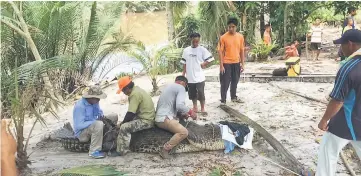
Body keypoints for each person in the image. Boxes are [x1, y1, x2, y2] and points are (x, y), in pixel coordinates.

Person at [316, 29, 361, 176]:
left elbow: (337, 100)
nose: (340, 48)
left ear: (350, 44)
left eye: (341, 44)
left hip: (349, 121)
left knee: (328, 151)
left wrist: (324, 120)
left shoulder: (348, 67)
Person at [155, 76, 197, 159]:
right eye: (185, 86)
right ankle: (165, 150)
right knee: (184, 132)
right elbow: (180, 105)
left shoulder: (168, 87)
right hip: (164, 118)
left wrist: (181, 115)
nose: (184, 89)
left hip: (159, 117)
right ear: (183, 83)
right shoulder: (181, 87)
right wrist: (191, 112)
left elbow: (169, 107)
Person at [73, 85, 118, 159]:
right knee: (98, 124)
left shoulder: (95, 102)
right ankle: (94, 151)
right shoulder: (80, 106)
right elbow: (78, 125)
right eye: (97, 98)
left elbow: (99, 112)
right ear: (91, 97)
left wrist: (101, 117)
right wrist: (95, 121)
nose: (99, 100)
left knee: (113, 116)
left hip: (93, 126)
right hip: (82, 133)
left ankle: (109, 141)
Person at [115, 76, 155, 156]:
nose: (123, 92)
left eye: (123, 90)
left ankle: (122, 151)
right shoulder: (137, 89)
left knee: (124, 127)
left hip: (146, 121)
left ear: (126, 88)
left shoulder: (134, 94)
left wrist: (122, 124)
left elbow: (130, 114)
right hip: (148, 117)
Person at [181, 33, 214, 116]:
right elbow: (184, 63)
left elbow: (211, 59)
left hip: (200, 77)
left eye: (197, 41)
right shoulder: (186, 50)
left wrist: (204, 63)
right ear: (190, 39)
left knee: (201, 93)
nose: (195, 43)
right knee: (192, 94)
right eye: (194, 41)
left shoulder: (202, 49)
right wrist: (183, 75)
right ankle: (195, 107)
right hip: (190, 77)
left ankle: (202, 108)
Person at [217, 17, 245, 104]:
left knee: (235, 81)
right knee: (225, 82)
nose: (231, 28)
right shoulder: (223, 38)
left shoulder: (240, 37)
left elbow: (241, 50)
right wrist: (221, 66)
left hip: (236, 62)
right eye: (229, 27)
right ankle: (223, 99)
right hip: (226, 63)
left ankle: (233, 97)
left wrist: (242, 64)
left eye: (233, 27)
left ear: (236, 27)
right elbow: (220, 52)